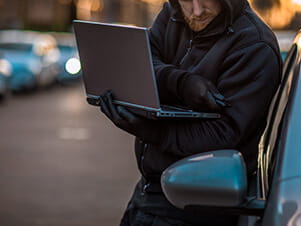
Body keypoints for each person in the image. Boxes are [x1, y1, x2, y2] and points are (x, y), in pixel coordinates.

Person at [98, 0, 282, 224]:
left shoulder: (255, 46)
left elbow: (226, 134)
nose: (197, 11)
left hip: (199, 207)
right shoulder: (172, 14)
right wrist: (179, 82)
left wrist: (153, 132)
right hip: (146, 193)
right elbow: (143, 62)